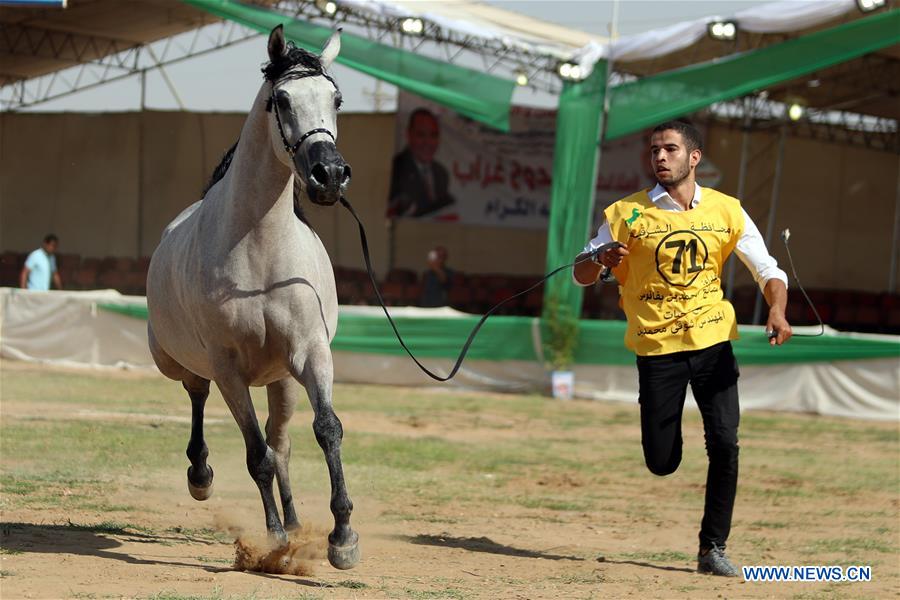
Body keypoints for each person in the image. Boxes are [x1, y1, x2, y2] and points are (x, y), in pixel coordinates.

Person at [573, 120, 791, 577]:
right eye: (654, 150)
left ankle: (712, 549)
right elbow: (580, 272)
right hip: (657, 349)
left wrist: (777, 310)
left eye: (670, 149)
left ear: (694, 158)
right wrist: (600, 260)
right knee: (661, 461)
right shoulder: (626, 214)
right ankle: (669, 440)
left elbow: (767, 268)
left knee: (726, 444)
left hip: (713, 340)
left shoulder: (727, 210)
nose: (660, 157)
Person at [387, 108, 456, 218]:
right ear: (409, 135)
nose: (428, 142)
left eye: (433, 135)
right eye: (421, 135)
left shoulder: (441, 173)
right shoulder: (396, 168)